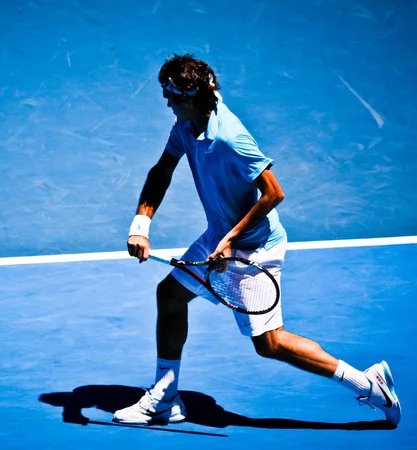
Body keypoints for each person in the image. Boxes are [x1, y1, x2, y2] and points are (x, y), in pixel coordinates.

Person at [113, 54, 401, 426]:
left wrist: (232, 240)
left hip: (253, 249)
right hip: (221, 236)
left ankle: (368, 384)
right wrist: (141, 224)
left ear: (188, 97)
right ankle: (165, 397)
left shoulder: (232, 138)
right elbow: (162, 170)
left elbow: (273, 193)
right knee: (169, 296)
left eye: (170, 96)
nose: (166, 102)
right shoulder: (186, 125)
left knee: (270, 344)